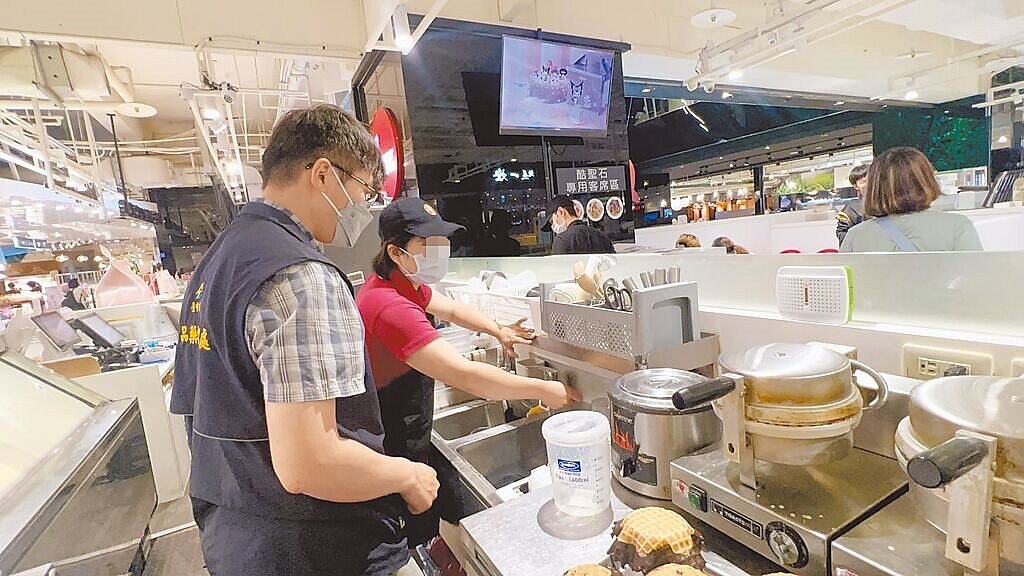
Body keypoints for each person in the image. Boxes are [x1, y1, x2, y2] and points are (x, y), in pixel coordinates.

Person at [170, 105, 436, 576]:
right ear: (322, 175)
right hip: (318, 546)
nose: (364, 206)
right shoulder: (300, 277)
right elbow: (311, 463)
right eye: (363, 189)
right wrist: (407, 474)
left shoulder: (219, 261)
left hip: (237, 535)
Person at [356, 196, 580, 546]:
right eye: (428, 243)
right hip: (393, 441)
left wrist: (498, 330)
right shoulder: (390, 307)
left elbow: (453, 309)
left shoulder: (402, 284)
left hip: (407, 428)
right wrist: (544, 389)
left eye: (442, 241)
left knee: (432, 521)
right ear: (396, 252)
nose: (440, 249)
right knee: (415, 536)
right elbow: (466, 376)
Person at [840, 147, 982, 253]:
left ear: (875, 187)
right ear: (926, 181)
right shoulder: (957, 227)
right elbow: (975, 283)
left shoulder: (855, 236)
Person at [546, 195, 614, 255]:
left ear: (560, 212)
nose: (553, 227)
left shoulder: (562, 241)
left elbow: (557, 268)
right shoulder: (602, 237)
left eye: (552, 221)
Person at [836, 164, 869, 246]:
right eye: (864, 181)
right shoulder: (850, 210)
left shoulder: (887, 203)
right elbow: (843, 236)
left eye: (872, 180)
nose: (869, 184)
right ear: (856, 186)